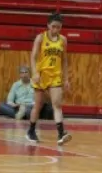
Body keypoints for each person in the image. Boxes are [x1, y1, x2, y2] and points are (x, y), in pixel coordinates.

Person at [27, 12, 71, 145]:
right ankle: (31, 130)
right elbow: (33, 57)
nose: (56, 29)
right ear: (48, 26)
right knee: (38, 105)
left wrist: (66, 78)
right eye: (53, 26)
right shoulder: (40, 38)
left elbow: (64, 61)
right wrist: (35, 73)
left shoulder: (63, 40)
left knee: (57, 104)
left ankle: (61, 133)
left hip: (55, 76)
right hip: (41, 75)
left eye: (58, 27)